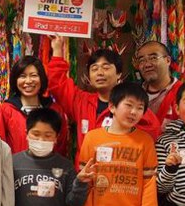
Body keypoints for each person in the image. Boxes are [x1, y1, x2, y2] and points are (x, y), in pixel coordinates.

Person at [77, 82, 159, 206]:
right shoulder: (92, 138)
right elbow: (87, 185)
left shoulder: (145, 141)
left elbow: (149, 188)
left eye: (140, 108)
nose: (134, 112)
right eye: (128, 105)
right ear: (112, 106)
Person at [48, 36, 161, 167]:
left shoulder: (132, 104)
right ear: (89, 76)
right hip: (86, 174)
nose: (100, 73)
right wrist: (57, 49)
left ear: (119, 74)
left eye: (106, 68)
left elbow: (153, 130)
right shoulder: (81, 101)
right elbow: (57, 83)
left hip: (120, 173)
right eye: (94, 69)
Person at [0, 56, 69, 156]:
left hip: (50, 165)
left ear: (41, 78)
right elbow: (1, 145)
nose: (28, 81)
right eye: (22, 76)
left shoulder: (55, 110)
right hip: (15, 165)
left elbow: (61, 145)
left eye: (33, 75)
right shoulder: (6, 110)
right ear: (15, 80)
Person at [133, 40, 182, 129]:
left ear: (168, 60)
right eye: (142, 60)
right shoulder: (133, 95)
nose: (147, 64)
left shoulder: (184, 93)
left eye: (153, 58)